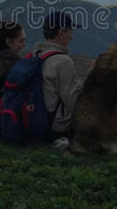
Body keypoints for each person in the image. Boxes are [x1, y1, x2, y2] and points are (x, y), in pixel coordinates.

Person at [32, 11, 86, 146]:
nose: (71, 37)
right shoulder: (63, 62)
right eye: (70, 32)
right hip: (56, 128)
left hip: (35, 121)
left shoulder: (35, 56)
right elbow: (75, 104)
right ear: (61, 33)